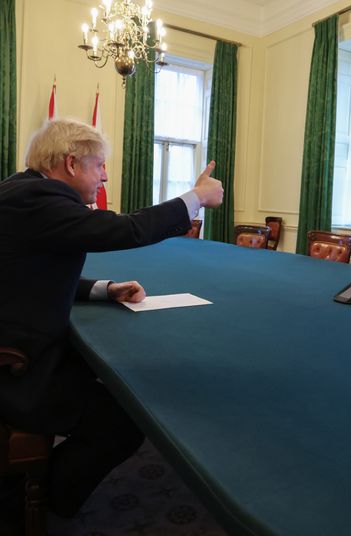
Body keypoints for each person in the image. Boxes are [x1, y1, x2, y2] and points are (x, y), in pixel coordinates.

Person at [0, 118, 223, 530]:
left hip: (22, 348)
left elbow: (36, 271)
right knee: (121, 422)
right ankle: (34, 502)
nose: (105, 176)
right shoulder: (38, 199)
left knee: (101, 379)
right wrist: (196, 198)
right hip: (17, 371)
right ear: (71, 164)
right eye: (100, 165)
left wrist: (105, 289)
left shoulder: (22, 189)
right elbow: (127, 229)